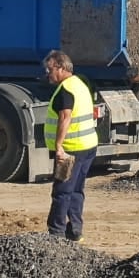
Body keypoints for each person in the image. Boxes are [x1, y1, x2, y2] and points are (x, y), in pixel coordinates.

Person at [42, 49, 98, 241]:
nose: (47, 74)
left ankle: (55, 234)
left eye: (49, 69)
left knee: (62, 191)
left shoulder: (66, 89)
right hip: (87, 146)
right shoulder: (79, 84)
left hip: (70, 149)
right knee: (76, 190)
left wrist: (59, 147)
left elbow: (65, 117)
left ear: (60, 67)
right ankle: (75, 231)